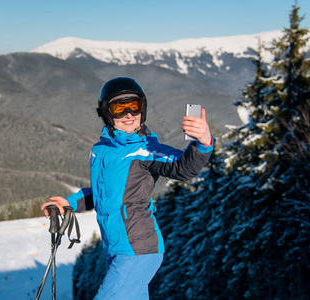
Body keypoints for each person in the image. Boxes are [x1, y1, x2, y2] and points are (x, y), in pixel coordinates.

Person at [41, 77, 213, 299]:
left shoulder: (147, 150)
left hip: (138, 250)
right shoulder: (100, 150)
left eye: (135, 106)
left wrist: (203, 142)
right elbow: (102, 193)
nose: (129, 114)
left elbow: (184, 168)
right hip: (114, 248)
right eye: (119, 108)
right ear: (106, 113)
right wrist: (69, 203)